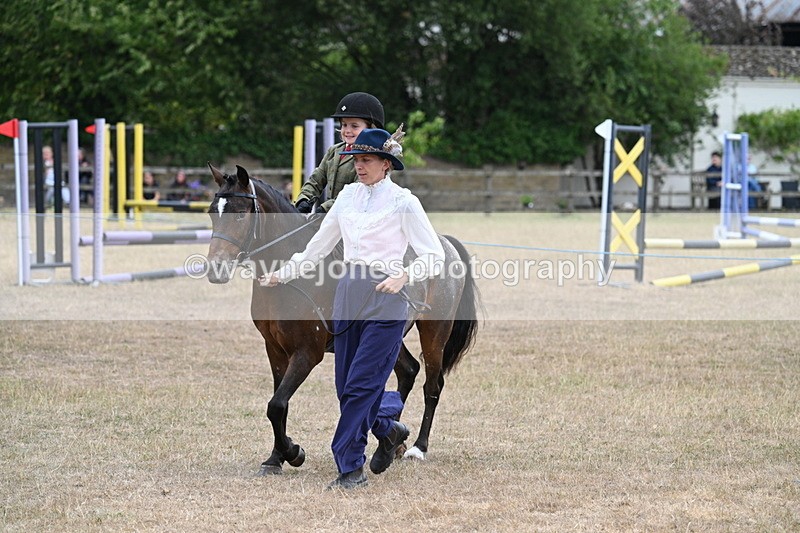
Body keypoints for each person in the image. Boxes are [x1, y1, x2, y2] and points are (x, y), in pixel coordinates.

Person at [260, 128, 444, 490]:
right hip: (348, 292)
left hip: (387, 297)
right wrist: (284, 274)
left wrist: (405, 275)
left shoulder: (405, 202)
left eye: (367, 160)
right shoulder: (346, 197)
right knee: (346, 386)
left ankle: (350, 468)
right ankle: (389, 427)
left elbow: (435, 256)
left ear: (386, 164)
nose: (359, 166)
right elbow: (318, 247)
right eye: (356, 160)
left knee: (361, 385)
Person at [294, 92, 385, 214]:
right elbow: (316, 179)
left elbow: (357, 190)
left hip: (356, 217)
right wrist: (304, 199)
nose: (347, 131)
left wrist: (326, 208)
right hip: (332, 217)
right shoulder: (334, 151)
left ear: (370, 128)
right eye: (344, 125)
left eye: (354, 126)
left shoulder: (371, 158)